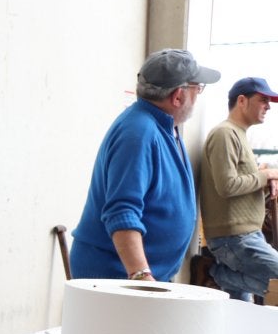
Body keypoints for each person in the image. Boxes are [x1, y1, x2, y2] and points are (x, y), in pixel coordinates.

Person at [70, 48, 220, 283]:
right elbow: (122, 211)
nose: (198, 95)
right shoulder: (139, 132)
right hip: (118, 277)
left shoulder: (164, 127)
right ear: (178, 96)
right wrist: (141, 275)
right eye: (197, 88)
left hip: (138, 276)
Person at [199, 77, 278, 301]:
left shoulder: (238, 134)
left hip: (244, 237)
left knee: (240, 313)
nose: (268, 106)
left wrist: (264, 185)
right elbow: (227, 185)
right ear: (242, 101)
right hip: (235, 239)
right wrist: (266, 175)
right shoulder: (225, 134)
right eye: (263, 99)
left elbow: (241, 186)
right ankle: (216, 274)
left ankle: (218, 274)